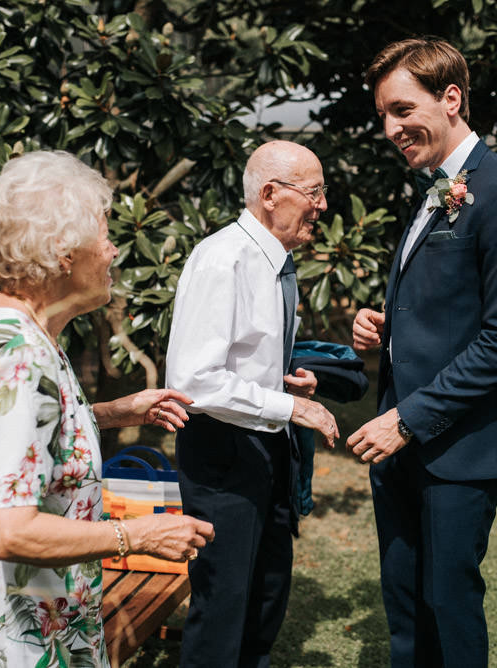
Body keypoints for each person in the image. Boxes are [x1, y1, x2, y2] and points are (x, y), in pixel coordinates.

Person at [0, 150, 214, 668]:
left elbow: (4, 439)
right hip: (15, 638)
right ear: (61, 253)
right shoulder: (18, 358)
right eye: (103, 234)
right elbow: (11, 531)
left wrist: (109, 412)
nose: (114, 250)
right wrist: (140, 534)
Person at [347, 39, 497, 666]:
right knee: (404, 598)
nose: (390, 128)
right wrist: (385, 327)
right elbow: (445, 306)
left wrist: (406, 419)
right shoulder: (435, 187)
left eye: (402, 109)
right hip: (404, 442)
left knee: (447, 601)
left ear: (451, 98)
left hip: (460, 445)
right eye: (383, 114)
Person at [164, 140, 341, 668]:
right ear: (269, 194)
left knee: (266, 596)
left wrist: (283, 385)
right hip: (223, 454)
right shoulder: (223, 259)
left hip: (266, 447)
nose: (323, 206)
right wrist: (291, 409)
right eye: (314, 192)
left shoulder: (276, 261)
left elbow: (242, 361)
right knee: (223, 610)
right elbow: (194, 380)